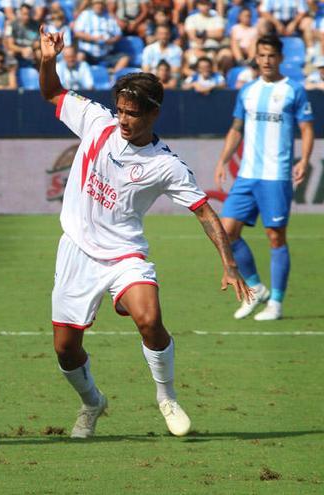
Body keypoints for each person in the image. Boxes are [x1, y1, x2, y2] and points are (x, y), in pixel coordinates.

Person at [38, 26, 251, 438]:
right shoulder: (97, 122)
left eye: (132, 113)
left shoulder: (165, 164)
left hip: (125, 255)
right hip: (77, 251)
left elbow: (204, 212)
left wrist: (229, 264)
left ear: (152, 113)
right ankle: (92, 402)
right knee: (65, 350)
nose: (122, 120)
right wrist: (49, 60)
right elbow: (52, 92)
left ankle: (166, 396)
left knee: (150, 319)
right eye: (120, 110)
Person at [214, 35, 315, 321]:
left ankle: (278, 303)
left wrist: (305, 160)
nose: (266, 60)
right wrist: (222, 161)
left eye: (271, 55)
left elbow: (306, 129)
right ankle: (257, 288)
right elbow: (236, 129)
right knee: (226, 231)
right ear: (256, 58)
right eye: (262, 55)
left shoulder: (294, 90)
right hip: (247, 175)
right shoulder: (247, 90)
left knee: (275, 237)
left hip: (276, 176)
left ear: (280, 58)